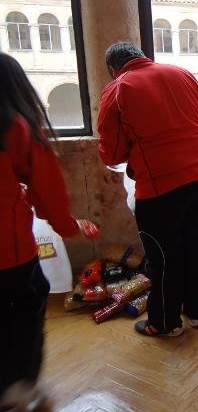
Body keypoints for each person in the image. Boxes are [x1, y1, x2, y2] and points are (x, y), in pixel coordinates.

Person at [0, 52, 100, 410]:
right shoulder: (18, 127)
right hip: (7, 249)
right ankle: (17, 384)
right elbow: (48, 192)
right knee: (26, 304)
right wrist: (70, 226)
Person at [97, 42, 198, 337]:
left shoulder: (117, 89)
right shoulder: (181, 73)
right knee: (197, 246)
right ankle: (197, 311)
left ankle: (165, 322)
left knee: (164, 256)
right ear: (141, 56)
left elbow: (111, 153)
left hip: (160, 186)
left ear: (112, 68)